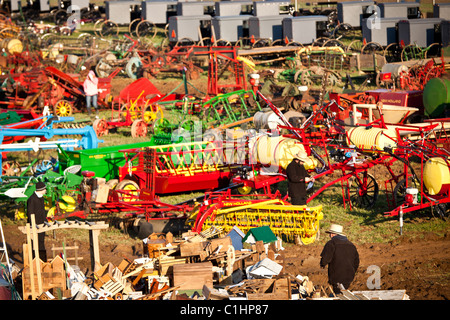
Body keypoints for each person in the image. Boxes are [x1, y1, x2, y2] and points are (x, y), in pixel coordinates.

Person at [320, 224, 360, 295]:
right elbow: (356, 262)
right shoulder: (351, 245)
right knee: (344, 293)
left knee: (338, 293)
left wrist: (322, 264)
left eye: (330, 234)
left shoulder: (331, 243)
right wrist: (353, 271)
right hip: (349, 276)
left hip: (336, 276)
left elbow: (325, 259)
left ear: (332, 234)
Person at [26, 181, 48, 261]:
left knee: (41, 241)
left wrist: (45, 221)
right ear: (41, 189)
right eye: (44, 189)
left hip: (42, 224)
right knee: (34, 243)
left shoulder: (41, 198)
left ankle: (43, 260)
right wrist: (33, 225)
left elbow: (42, 211)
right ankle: (33, 260)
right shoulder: (32, 199)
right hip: (34, 225)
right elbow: (30, 213)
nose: (45, 190)